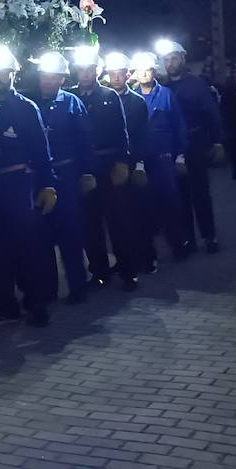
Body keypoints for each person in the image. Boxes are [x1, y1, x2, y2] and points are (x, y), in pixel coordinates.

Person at [0, 45, 58, 326]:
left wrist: (48, 184)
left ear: (13, 73)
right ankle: (4, 303)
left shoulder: (26, 108)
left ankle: (36, 303)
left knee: (26, 247)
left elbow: (41, 150)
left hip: (18, 185)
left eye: (3, 71)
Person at [30, 51, 95, 305]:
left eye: (52, 77)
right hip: (40, 177)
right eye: (44, 76)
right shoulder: (31, 103)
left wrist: (87, 172)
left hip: (67, 176)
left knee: (70, 233)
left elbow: (85, 139)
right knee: (42, 235)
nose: (47, 81)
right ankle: (49, 290)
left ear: (62, 79)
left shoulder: (71, 103)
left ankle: (78, 286)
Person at [72, 49, 138, 291]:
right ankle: (100, 271)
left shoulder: (109, 96)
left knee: (118, 221)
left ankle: (128, 271)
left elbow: (122, 131)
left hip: (108, 165)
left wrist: (122, 162)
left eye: (89, 69)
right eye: (81, 69)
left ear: (97, 71)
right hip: (83, 167)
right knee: (90, 223)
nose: (85, 73)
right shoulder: (71, 97)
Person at [158, 41, 225, 254]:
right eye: (167, 60)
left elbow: (212, 114)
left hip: (195, 144)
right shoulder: (163, 88)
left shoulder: (196, 85)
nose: (170, 63)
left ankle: (209, 236)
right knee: (180, 196)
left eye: (174, 58)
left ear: (183, 59)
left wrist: (217, 141)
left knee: (200, 194)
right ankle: (188, 239)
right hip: (173, 147)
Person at [130, 53, 190, 263]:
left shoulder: (166, 94)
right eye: (140, 70)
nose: (144, 74)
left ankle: (178, 245)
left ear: (154, 71)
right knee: (144, 207)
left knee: (170, 203)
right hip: (141, 161)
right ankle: (149, 254)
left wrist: (180, 155)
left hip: (163, 159)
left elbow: (178, 125)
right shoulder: (131, 97)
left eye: (147, 70)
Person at [103, 52, 156, 273]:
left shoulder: (136, 102)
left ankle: (147, 257)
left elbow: (143, 135)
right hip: (111, 165)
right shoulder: (102, 98)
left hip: (132, 164)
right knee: (117, 218)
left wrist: (140, 164)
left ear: (127, 74)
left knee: (139, 213)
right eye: (112, 73)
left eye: (120, 73)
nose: (116, 77)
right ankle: (125, 260)